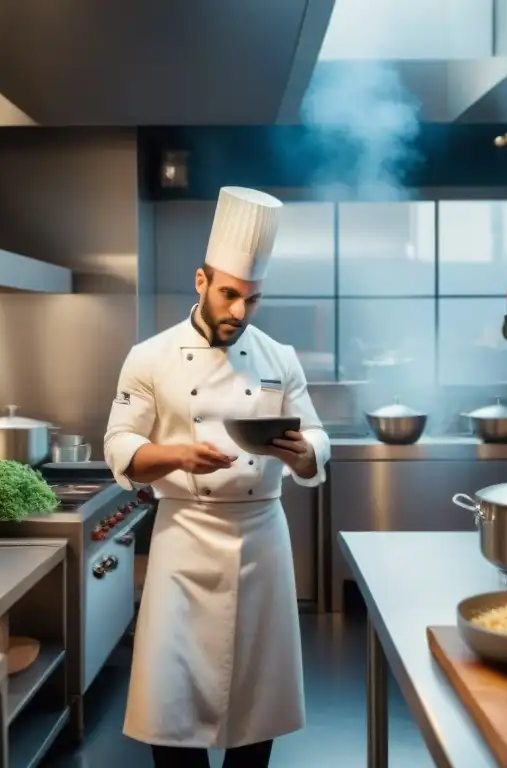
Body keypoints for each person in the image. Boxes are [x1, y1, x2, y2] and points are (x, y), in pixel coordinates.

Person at [103, 187, 330, 768]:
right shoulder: (149, 356)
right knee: (171, 697)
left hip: (262, 536)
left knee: (259, 693)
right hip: (185, 536)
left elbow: (316, 444)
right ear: (201, 281)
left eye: (251, 301)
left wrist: (303, 454)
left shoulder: (280, 356)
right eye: (229, 295)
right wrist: (177, 455)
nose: (238, 312)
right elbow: (120, 444)